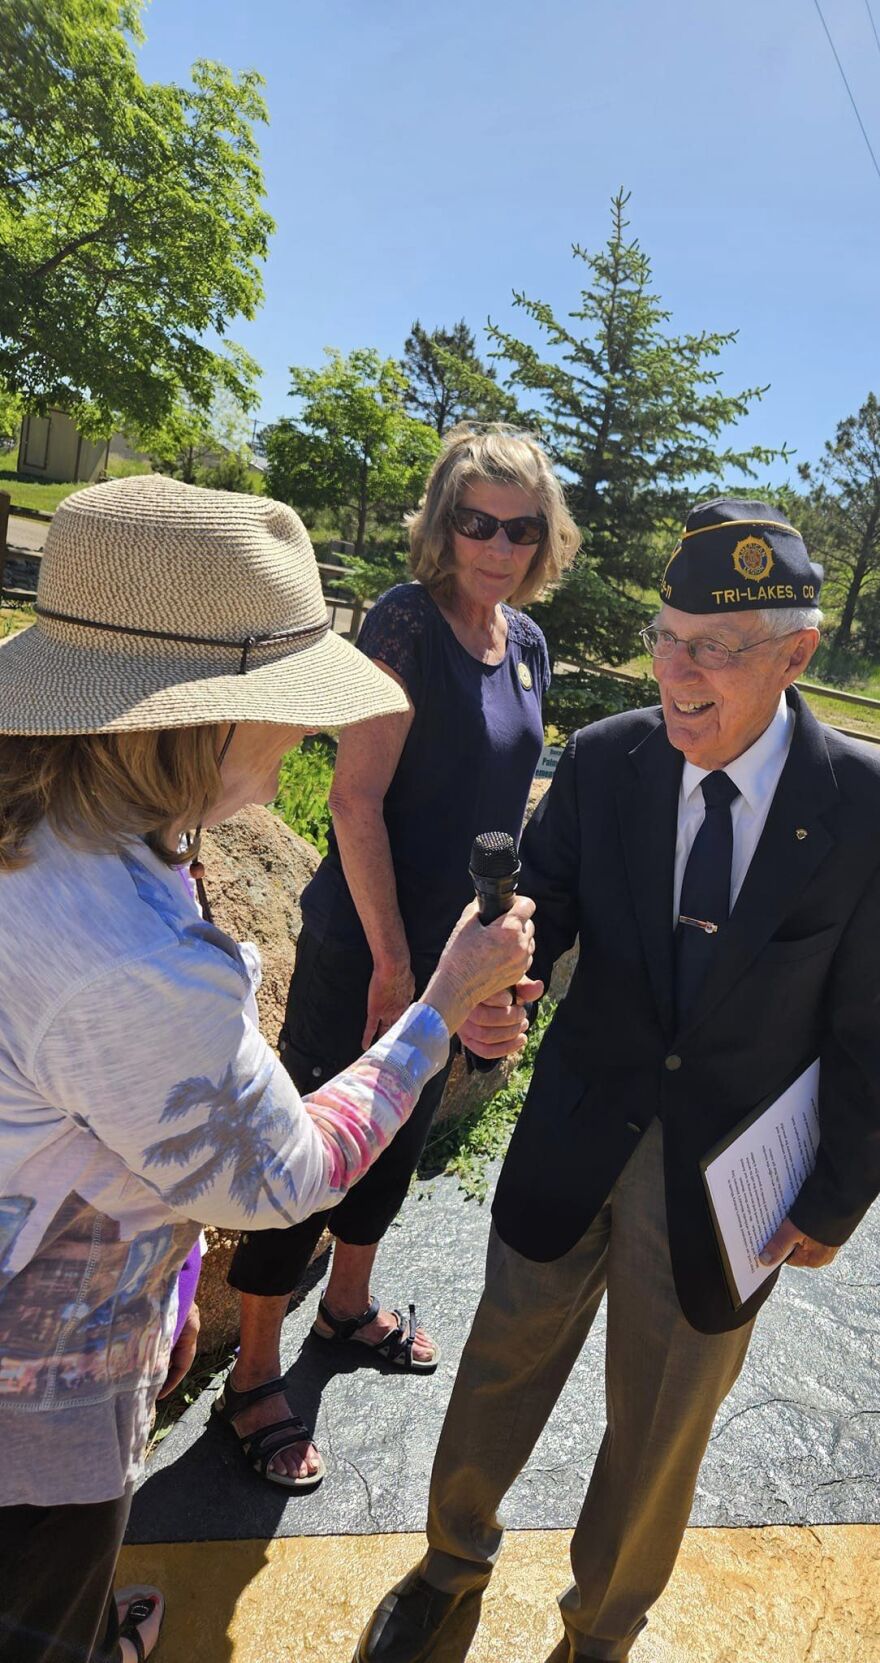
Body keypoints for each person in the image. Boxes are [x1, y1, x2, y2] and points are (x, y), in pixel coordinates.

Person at [351, 500, 880, 1663]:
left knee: (661, 1427)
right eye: (667, 636)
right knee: (498, 1365)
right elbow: (548, 904)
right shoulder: (609, 756)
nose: (676, 672)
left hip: (730, 1182)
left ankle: (600, 1633)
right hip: (573, 1130)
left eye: (712, 649)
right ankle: (447, 1566)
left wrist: (839, 1192)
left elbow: (872, 1028)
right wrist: (501, 989)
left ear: (796, 654)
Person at [0, 476, 536, 1663]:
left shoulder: (53, 821)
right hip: (32, 1405)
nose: (311, 735)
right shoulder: (130, 956)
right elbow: (277, 1176)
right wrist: (439, 1004)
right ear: (201, 714)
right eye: (291, 703)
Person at [224, 423, 579, 1487]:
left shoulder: (524, 643)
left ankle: (344, 1306)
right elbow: (353, 797)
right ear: (442, 521)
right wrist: (392, 962)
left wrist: (493, 955)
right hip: (362, 943)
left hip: (455, 948)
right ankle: (251, 1372)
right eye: (476, 520)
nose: (497, 544)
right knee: (307, 1146)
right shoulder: (403, 624)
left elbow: (503, 814)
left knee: (403, 1129)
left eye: (520, 527)